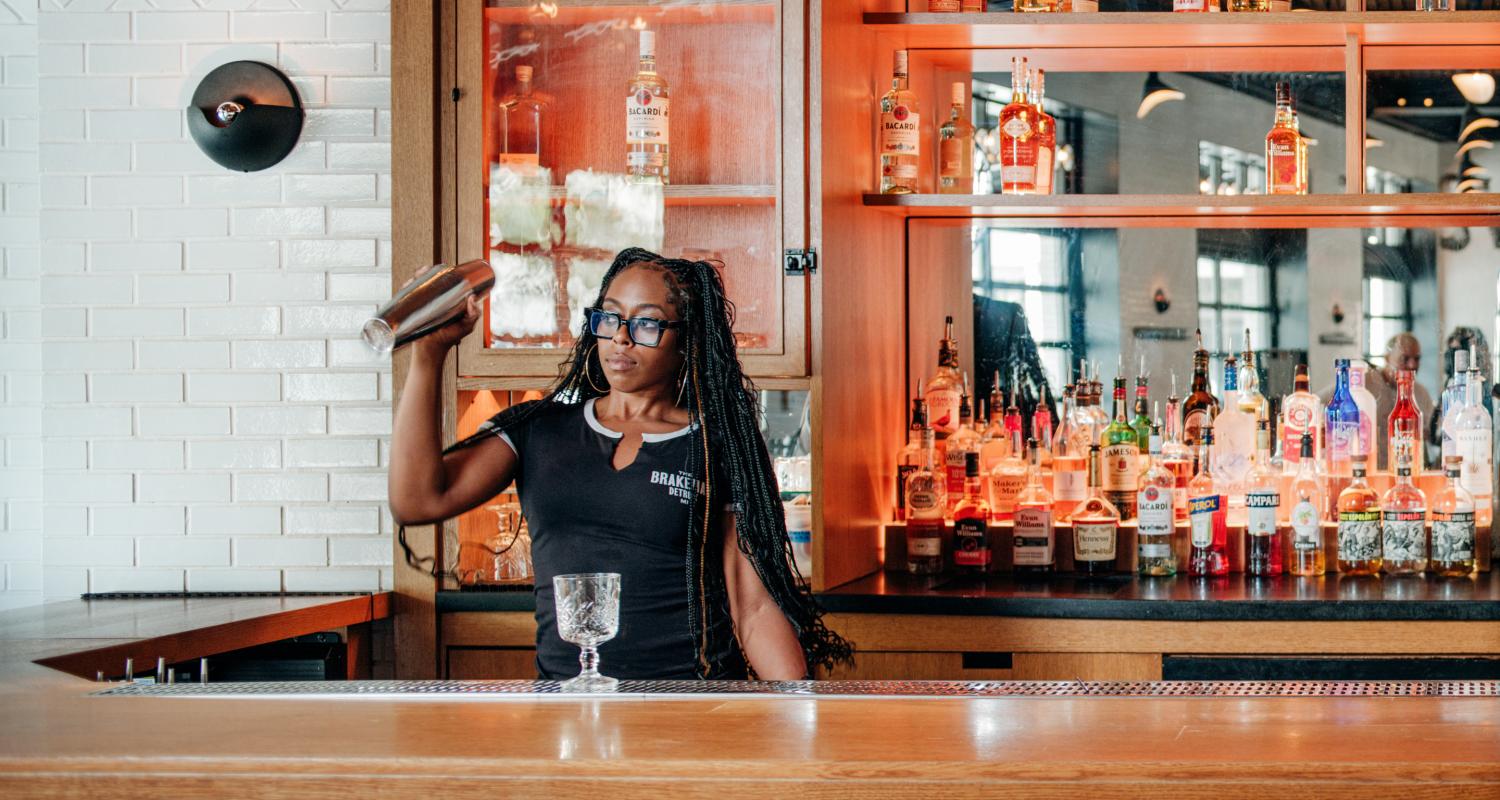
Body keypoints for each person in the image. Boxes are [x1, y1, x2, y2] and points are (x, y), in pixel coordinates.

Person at [389, 248, 851, 681]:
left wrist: (801, 715)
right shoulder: (538, 429)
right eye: (609, 317)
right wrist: (428, 355)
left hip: (691, 704)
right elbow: (416, 500)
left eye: (647, 324)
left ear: (686, 341)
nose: (621, 337)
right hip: (569, 707)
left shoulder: (715, 444)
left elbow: (752, 610)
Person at [1318, 332, 1435, 469]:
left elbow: (1429, 438)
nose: (1412, 365)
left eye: (1417, 359)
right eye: (1405, 358)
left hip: (1404, 475)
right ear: (1387, 358)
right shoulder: (1362, 383)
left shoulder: (1422, 394)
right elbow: (1317, 403)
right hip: (1365, 472)